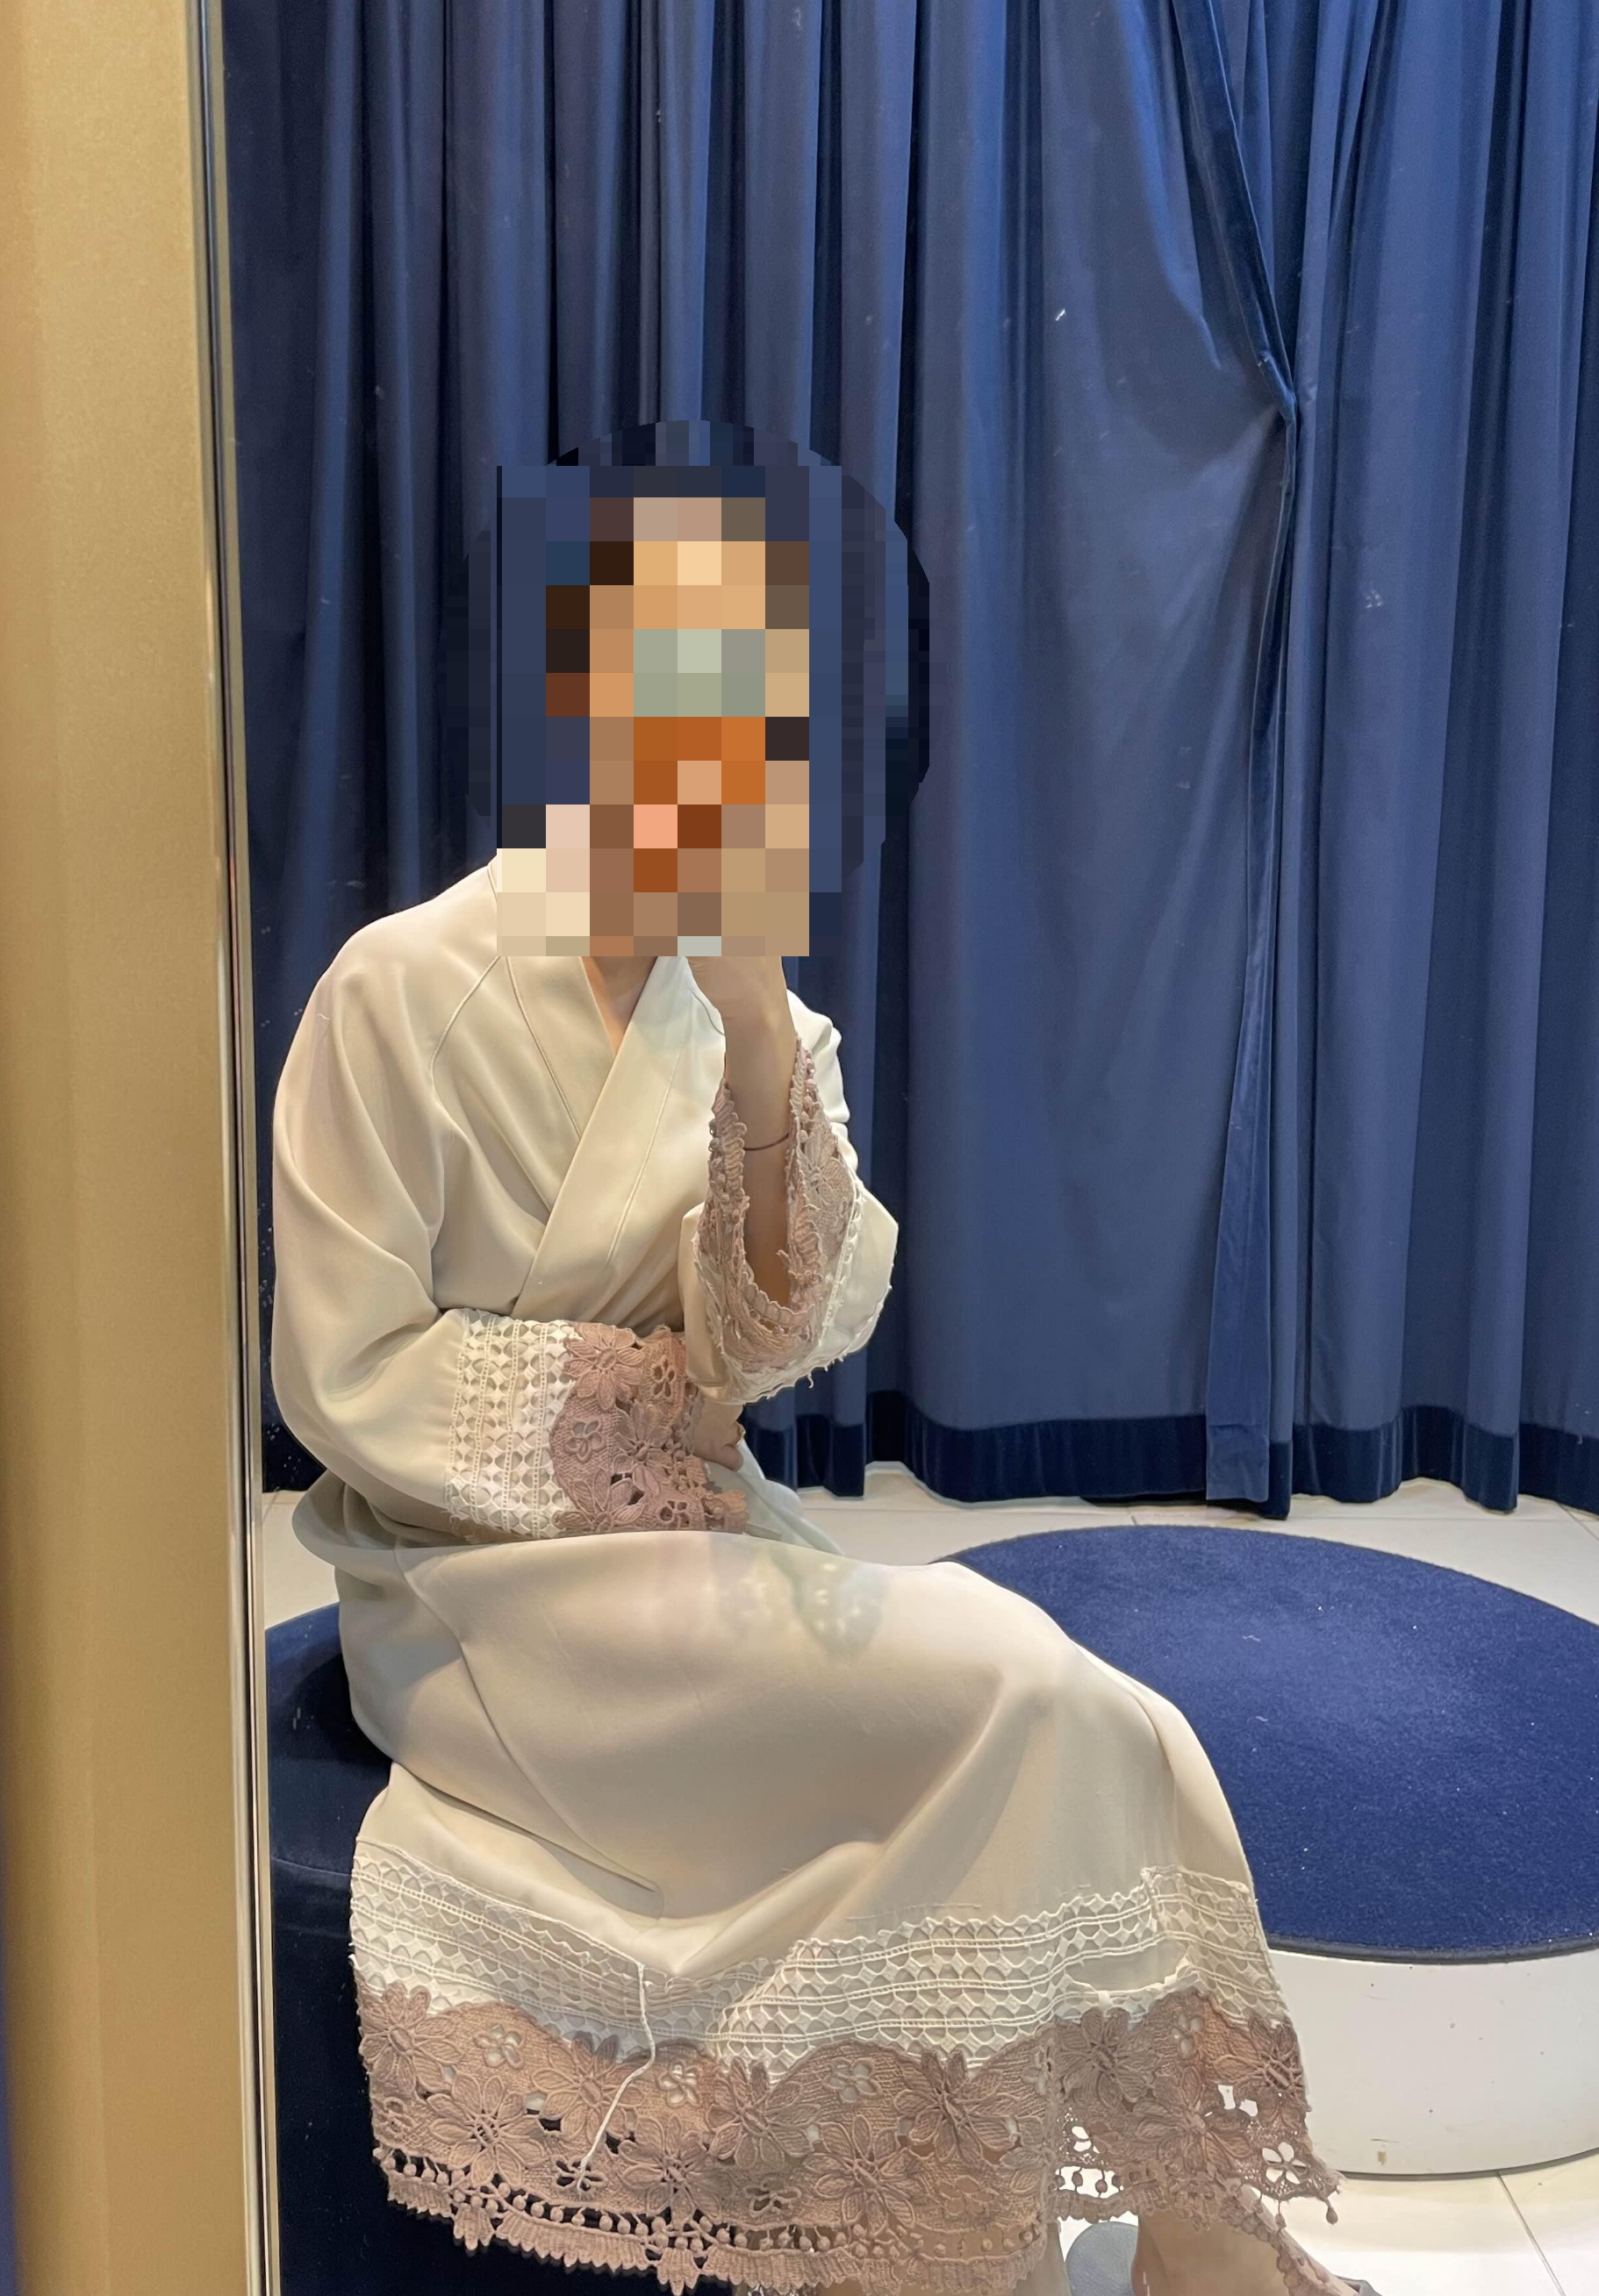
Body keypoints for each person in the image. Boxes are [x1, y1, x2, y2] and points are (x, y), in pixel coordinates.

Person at [271, 460, 1358, 2294]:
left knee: (1120, 1727)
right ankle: (1053, 2249)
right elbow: (343, 1363)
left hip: (700, 1549)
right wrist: (628, 1420)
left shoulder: (755, 1009)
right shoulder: (402, 987)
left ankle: (1167, 2237)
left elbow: (779, 1338)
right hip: (477, 1594)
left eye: (753, 716)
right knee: (1023, 1684)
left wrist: (760, 1042)